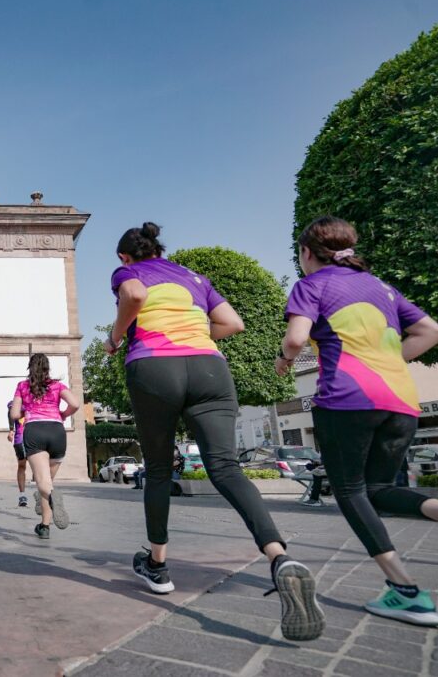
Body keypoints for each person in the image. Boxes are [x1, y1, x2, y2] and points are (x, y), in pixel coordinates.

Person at [107, 222, 323, 641]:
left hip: (154, 366)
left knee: (155, 468)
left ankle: (157, 564)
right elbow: (234, 324)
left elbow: (133, 297)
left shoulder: (126, 273)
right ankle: (278, 557)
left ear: (125, 257)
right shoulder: (194, 277)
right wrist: (192, 336)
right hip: (209, 367)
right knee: (225, 467)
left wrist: (117, 337)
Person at [277, 216, 438, 626]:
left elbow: (296, 338)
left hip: (348, 398)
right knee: (379, 489)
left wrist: (284, 361)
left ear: (307, 253)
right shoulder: (381, 286)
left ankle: (406, 591)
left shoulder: (310, 285)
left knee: (349, 491)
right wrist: (386, 363)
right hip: (400, 399)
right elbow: (429, 331)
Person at [10, 353, 80, 539]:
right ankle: (44, 526)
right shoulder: (57, 385)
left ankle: (53, 498)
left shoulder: (23, 386)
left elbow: (15, 414)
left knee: (43, 482)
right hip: (57, 431)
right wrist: (64, 414)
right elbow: (75, 403)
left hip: (35, 431)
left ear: (30, 368)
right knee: (47, 482)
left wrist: (26, 407)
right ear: (47, 368)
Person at [6, 401, 28, 507]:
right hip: (21, 440)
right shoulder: (16, 403)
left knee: (39, 466)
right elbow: (10, 411)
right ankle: (22, 495)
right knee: (22, 466)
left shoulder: (37, 401)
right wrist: (11, 430)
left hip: (36, 439)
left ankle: (43, 493)